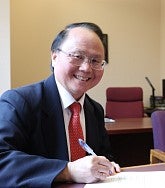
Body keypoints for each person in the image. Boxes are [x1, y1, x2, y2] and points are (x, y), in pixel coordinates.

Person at [0, 22, 120, 187]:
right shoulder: (18, 102)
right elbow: (2, 160)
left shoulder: (95, 109)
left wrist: (107, 166)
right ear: (54, 57)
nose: (86, 68)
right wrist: (67, 171)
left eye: (95, 61)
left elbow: (104, 155)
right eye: (78, 56)